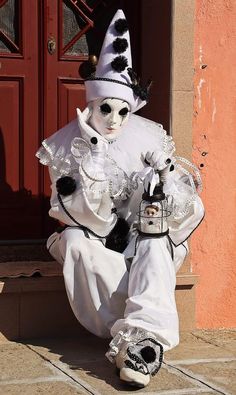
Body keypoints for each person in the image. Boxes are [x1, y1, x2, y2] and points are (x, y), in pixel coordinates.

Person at [36, 10, 204, 388]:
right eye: (105, 109)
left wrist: (164, 178)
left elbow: (184, 210)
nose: (113, 120)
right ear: (90, 106)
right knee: (78, 245)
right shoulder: (65, 147)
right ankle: (133, 339)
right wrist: (93, 156)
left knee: (154, 234)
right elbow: (80, 215)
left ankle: (141, 338)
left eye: (123, 111)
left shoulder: (148, 139)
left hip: (139, 238)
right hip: (93, 236)